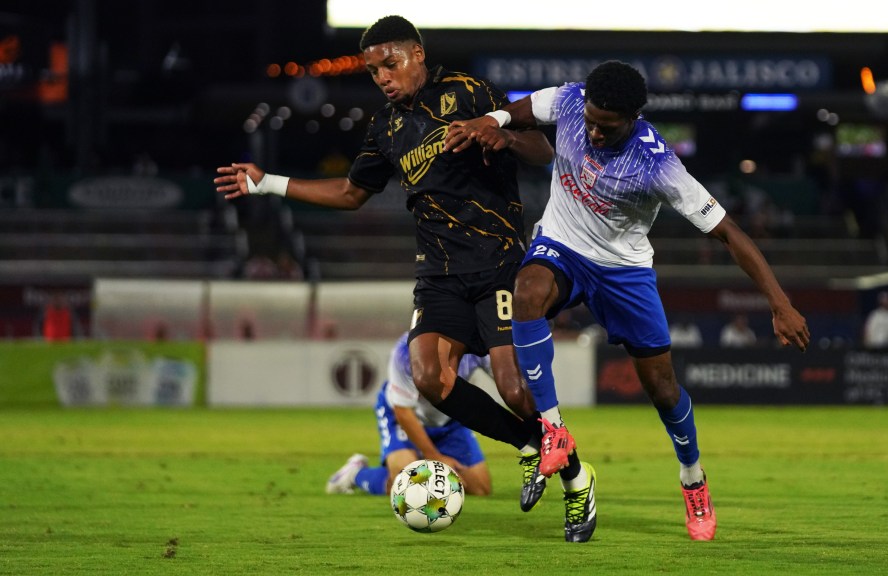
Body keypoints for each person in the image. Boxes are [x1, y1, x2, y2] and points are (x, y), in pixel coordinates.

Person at [445, 60, 810, 542]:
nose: (594, 132)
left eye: (607, 127)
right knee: (527, 292)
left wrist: (780, 303)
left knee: (662, 390)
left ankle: (693, 478)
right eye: (591, 122)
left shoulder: (659, 164)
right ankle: (553, 431)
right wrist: (492, 122)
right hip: (562, 246)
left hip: (624, 271)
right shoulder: (573, 101)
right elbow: (523, 111)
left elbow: (728, 232)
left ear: (634, 118)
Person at [214, 15, 554, 516]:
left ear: (417, 53)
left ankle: (558, 457)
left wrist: (502, 136)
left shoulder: (468, 92)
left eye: (390, 65)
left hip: (498, 262)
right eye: (374, 73)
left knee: (512, 387)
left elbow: (541, 149)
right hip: (437, 272)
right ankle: (532, 445)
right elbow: (352, 193)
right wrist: (268, 182)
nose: (383, 78)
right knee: (428, 377)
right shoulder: (386, 129)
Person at [326, 332, 493, 496]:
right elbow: (403, 411)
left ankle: (415, 462)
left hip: (449, 418)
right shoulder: (407, 348)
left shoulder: (476, 342)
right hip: (405, 416)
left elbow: (507, 378)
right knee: (406, 483)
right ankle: (356, 474)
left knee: (479, 487)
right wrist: (434, 457)